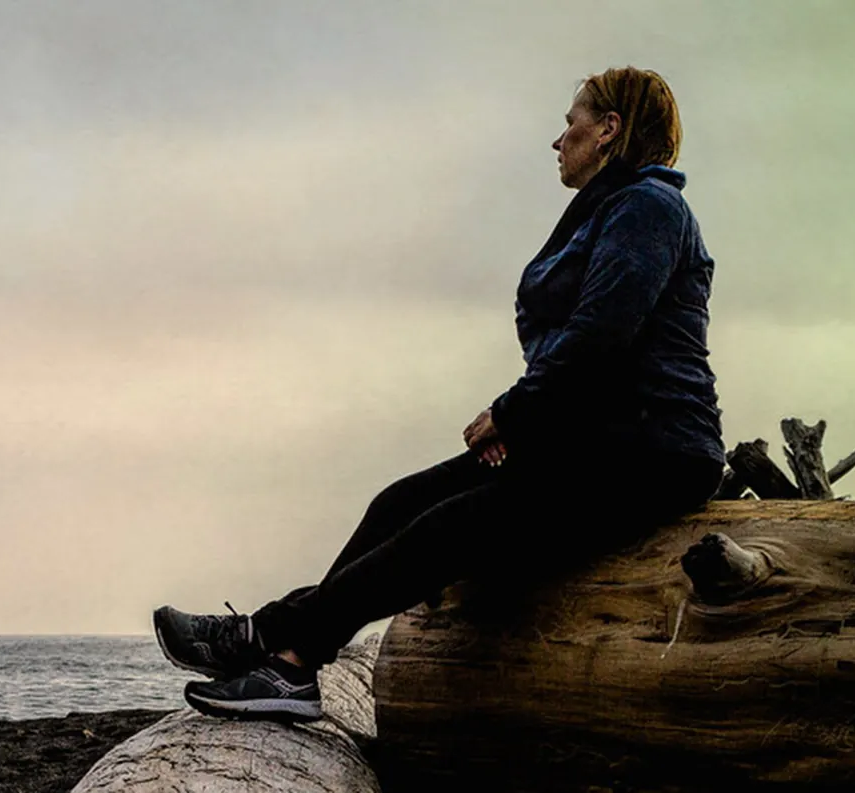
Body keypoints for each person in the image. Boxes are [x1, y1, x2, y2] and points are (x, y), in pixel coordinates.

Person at [153, 66, 727, 724]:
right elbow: (583, 351)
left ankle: (283, 654)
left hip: (653, 452)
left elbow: (601, 336)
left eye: (571, 121)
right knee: (399, 503)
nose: (557, 139)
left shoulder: (649, 207)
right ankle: (276, 648)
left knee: (451, 527)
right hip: (593, 437)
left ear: (608, 130)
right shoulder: (610, 210)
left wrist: (511, 414)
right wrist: (529, 424)